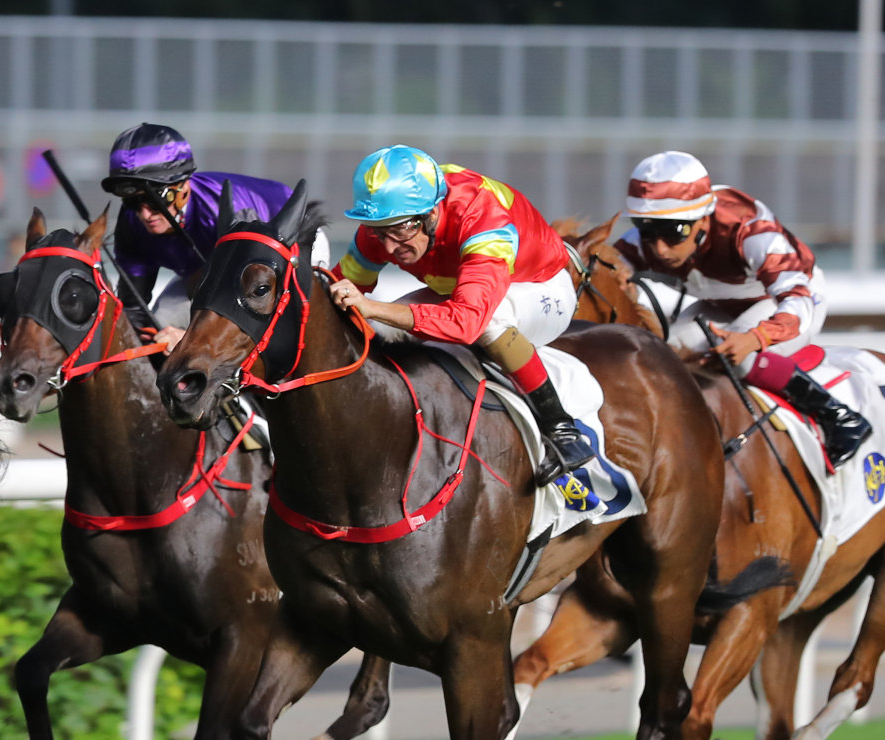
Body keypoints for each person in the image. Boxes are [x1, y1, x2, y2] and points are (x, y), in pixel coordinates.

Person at [327, 144, 595, 485]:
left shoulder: (483, 220)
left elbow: (467, 323)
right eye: (379, 231)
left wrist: (373, 307)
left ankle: (563, 431)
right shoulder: (387, 224)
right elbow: (339, 289)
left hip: (540, 286)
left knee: (489, 323)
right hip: (462, 287)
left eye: (399, 231)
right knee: (379, 325)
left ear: (431, 214)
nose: (389, 246)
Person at [615, 150, 871, 466]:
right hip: (718, 304)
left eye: (674, 232)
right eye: (647, 229)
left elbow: (798, 301)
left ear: (703, 217)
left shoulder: (750, 231)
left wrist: (757, 337)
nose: (659, 248)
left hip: (787, 299)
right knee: (661, 356)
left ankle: (838, 415)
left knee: (738, 356)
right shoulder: (640, 243)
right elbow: (598, 271)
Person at [99, 123, 322, 348]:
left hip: (290, 245)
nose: (144, 214)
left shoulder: (228, 211)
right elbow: (133, 308)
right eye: (133, 201)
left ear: (183, 186)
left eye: (156, 199)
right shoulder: (131, 223)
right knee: (161, 324)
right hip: (209, 273)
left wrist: (187, 338)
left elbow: (246, 302)